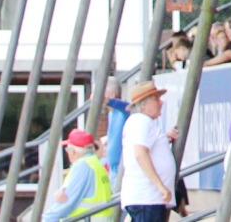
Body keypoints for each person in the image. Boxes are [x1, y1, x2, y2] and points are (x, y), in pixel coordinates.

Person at [119, 78, 177, 222]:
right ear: (143, 104)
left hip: (146, 198)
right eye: (156, 99)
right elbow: (140, 153)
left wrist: (164, 139)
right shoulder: (142, 121)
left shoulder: (140, 122)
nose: (161, 102)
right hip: (147, 198)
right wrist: (160, 186)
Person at [42, 129, 113, 222]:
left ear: (73, 151)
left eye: (67, 149)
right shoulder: (96, 164)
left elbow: (67, 201)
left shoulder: (81, 166)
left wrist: (48, 218)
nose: (67, 152)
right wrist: (56, 196)